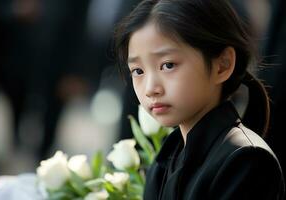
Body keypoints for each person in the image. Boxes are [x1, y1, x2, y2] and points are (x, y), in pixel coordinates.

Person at [113, 0, 285, 199]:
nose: (151, 89)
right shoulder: (167, 157)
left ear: (223, 64)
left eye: (168, 65)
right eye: (138, 71)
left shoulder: (245, 160)